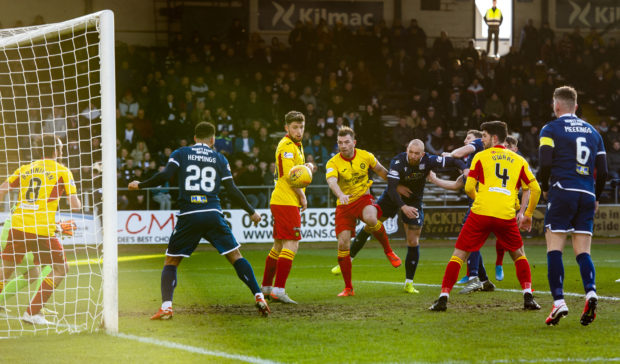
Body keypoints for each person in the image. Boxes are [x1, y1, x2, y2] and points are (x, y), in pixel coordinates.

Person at [128, 122, 270, 319]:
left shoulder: (181, 153)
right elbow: (232, 190)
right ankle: (259, 296)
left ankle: (167, 307)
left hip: (189, 215)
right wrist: (251, 211)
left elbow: (166, 175)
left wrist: (141, 185)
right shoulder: (220, 158)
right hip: (213, 213)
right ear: (213, 140)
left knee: (171, 260)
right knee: (236, 255)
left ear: (194, 138)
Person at [429, 121, 541, 312]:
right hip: (505, 214)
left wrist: (480, 198)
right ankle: (528, 297)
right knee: (518, 255)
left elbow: (468, 187)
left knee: (459, 255)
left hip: (480, 212)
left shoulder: (480, 157)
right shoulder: (518, 160)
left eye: (485, 136)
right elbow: (535, 188)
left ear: (494, 138)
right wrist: (528, 215)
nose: (482, 139)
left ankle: (443, 298)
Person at [330, 139, 465, 294]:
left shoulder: (429, 160)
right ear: (407, 150)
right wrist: (403, 207)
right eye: (411, 152)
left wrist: (465, 170)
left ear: (423, 153)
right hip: (391, 197)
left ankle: (409, 283)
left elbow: (454, 161)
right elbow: (392, 188)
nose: (413, 156)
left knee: (413, 240)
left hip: (413, 200)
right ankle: (349, 259)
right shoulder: (398, 161)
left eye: (417, 153)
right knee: (370, 225)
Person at [537, 86, 607, 326]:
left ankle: (558, 302)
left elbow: (545, 163)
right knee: (583, 251)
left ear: (556, 106)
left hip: (563, 190)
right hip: (587, 193)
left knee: (554, 247)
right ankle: (591, 292)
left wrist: (544, 187)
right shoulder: (594, 132)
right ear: (575, 106)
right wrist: (596, 196)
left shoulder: (550, 128)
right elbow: (604, 171)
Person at [0, 134, 81, 325]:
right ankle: (32, 312)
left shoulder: (26, 169)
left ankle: (32, 310)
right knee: (61, 268)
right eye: (61, 148)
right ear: (56, 151)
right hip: (41, 230)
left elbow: (2, 189)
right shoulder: (62, 171)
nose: (62, 152)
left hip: (17, 226)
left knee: (6, 269)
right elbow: (75, 205)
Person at [325, 127, 395, 296]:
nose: (343, 146)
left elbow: (382, 172)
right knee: (343, 244)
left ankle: (388, 251)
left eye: (347, 142)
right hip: (344, 203)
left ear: (354, 142)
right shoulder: (332, 162)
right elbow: (332, 181)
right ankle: (348, 288)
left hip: (363, 198)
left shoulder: (366, 156)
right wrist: (340, 194)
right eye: (340, 143)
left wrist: (397, 185)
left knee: (371, 219)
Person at [260, 111, 314, 304]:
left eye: (301, 127)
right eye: (295, 127)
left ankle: (266, 288)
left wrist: (307, 167)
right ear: (286, 128)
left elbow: (296, 171)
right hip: (286, 200)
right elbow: (289, 177)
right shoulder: (286, 146)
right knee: (292, 244)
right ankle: (279, 290)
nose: (299, 131)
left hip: (282, 200)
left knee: (278, 246)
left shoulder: (296, 146)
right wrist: (303, 197)